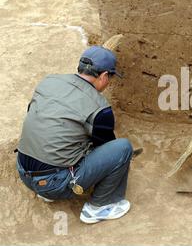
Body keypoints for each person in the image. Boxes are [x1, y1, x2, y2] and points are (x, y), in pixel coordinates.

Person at [16, 46, 134, 224]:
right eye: (110, 77)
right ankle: (100, 207)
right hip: (53, 184)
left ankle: (46, 189)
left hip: (23, 171)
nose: (109, 82)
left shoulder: (49, 81)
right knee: (123, 149)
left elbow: (33, 112)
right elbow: (105, 146)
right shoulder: (100, 107)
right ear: (103, 76)